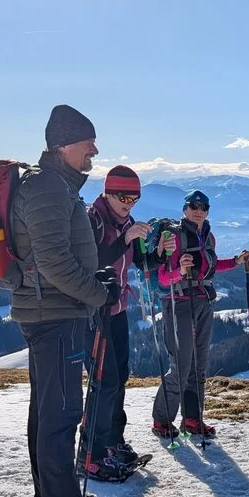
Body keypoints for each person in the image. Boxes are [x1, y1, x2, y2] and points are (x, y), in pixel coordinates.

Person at [11, 104, 121, 497]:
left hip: (52, 312)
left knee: (47, 414)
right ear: (62, 144)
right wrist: (97, 294)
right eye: (87, 142)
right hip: (55, 317)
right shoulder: (48, 190)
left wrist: (93, 279)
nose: (94, 150)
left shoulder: (52, 187)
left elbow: (55, 257)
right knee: (60, 417)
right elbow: (54, 262)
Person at [151, 190, 249, 439]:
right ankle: (162, 421)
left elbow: (212, 265)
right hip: (178, 304)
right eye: (194, 205)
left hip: (203, 302)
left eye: (203, 206)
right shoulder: (173, 237)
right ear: (185, 209)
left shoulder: (208, 236)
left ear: (207, 211)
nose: (199, 210)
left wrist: (236, 262)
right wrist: (180, 270)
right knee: (181, 365)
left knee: (199, 365)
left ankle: (193, 419)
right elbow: (163, 278)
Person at [87, 165, 163, 465]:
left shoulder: (126, 220)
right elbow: (91, 259)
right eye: (123, 197)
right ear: (108, 192)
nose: (129, 204)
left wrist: (160, 253)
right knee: (103, 381)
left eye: (135, 198)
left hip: (117, 311)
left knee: (119, 378)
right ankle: (92, 451)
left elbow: (142, 263)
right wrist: (125, 237)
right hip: (95, 312)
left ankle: (114, 441)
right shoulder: (93, 219)